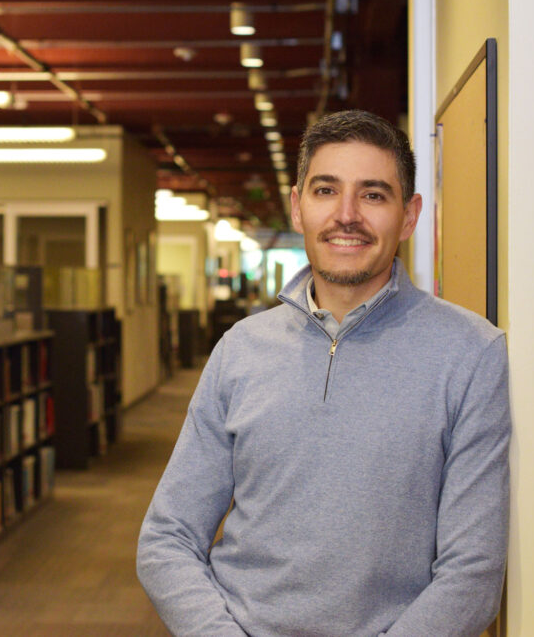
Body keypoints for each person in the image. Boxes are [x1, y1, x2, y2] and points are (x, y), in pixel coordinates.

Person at [136, 110, 511, 636]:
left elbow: (473, 574)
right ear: (298, 207)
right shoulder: (239, 350)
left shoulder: (471, 354)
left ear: (409, 216)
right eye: (326, 191)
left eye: (374, 194)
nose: (347, 215)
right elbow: (167, 537)